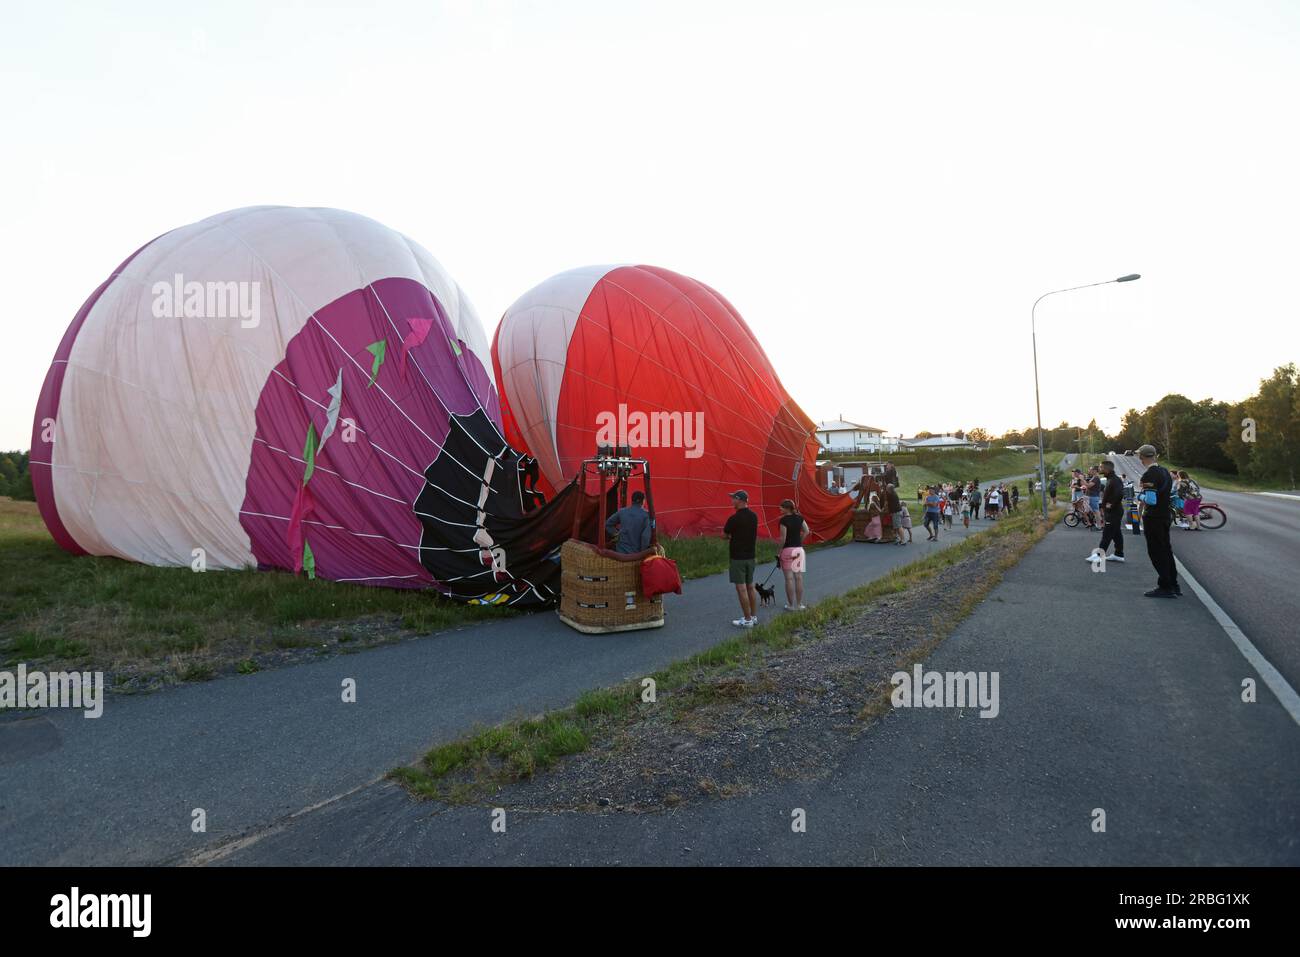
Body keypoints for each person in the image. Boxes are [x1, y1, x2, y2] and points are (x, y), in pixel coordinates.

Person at [1136, 445, 1180, 598]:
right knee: (1167, 551)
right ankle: (1174, 585)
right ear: (1155, 456)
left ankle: (1165, 586)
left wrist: (1139, 496)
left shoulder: (1149, 475)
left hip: (1153, 517)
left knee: (1156, 552)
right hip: (1165, 515)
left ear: (1141, 457)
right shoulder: (1165, 472)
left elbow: (1150, 500)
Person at [723, 490, 760, 626]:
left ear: (739, 500)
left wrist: (730, 537)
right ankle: (754, 616)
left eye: (733, 499)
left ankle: (747, 620)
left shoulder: (733, 519)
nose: (732, 501)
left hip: (737, 557)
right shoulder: (754, 516)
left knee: (741, 589)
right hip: (751, 556)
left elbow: (726, 534)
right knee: (750, 586)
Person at [1090, 460, 1125, 564]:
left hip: (1114, 511)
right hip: (1112, 511)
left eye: (1101, 467)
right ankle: (1119, 554)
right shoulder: (1110, 479)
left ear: (1107, 469)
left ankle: (1099, 555)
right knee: (1116, 534)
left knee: (1107, 533)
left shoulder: (1115, 480)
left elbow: (1120, 493)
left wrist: (1111, 505)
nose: (1099, 469)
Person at [777, 499, 810, 610]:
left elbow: (783, 538)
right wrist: (799, 540)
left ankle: (791, 605)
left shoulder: (783, 521)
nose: (780, 509)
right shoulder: (800, 518)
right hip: (798, 550)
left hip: (787, 550)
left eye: (781, 507)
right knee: (799, 578)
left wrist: (779, 551)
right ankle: (800, 604)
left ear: (787, 508)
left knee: (789, 579)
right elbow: (806, 531)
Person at [604, 490, 653, 554]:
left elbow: (608, 524)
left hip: (620, 552)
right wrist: (642, 554)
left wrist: (616, 534)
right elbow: (645, 537)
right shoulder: (647, 515)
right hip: (635, 554)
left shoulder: (622, 512)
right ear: (643, 501)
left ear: (632, 500)